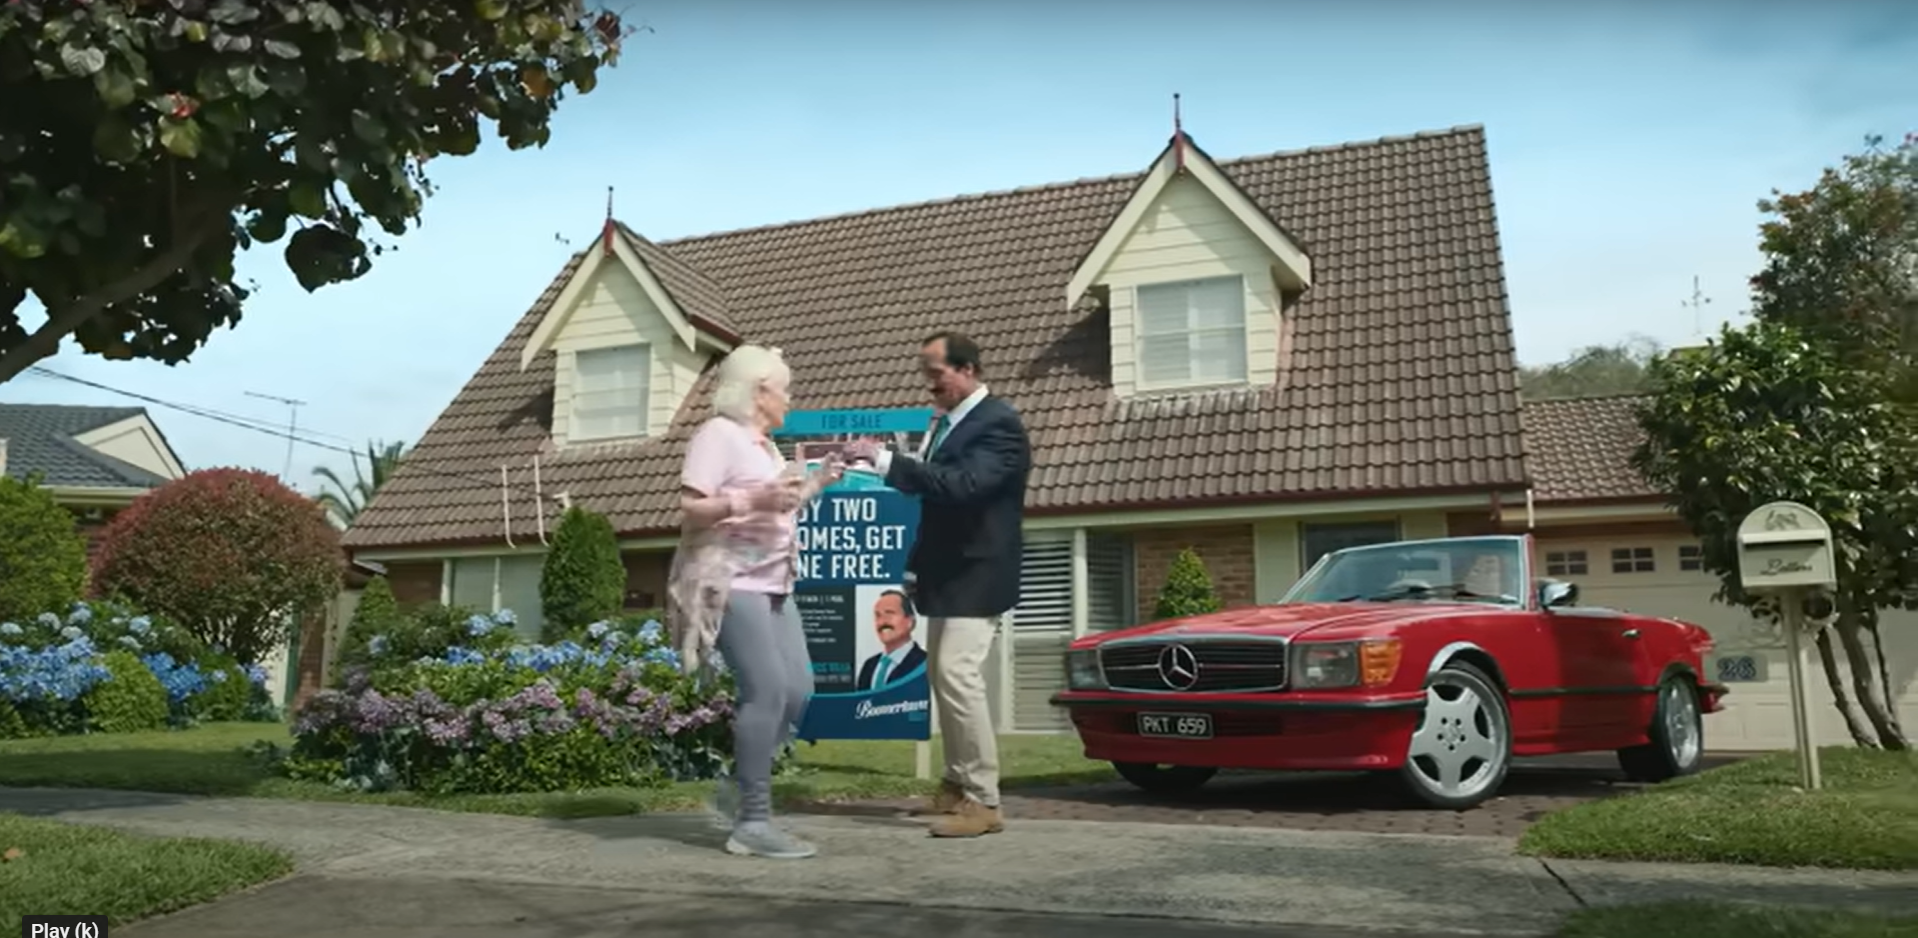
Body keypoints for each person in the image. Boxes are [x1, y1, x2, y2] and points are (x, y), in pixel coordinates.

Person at [845, 331, 1031, 838]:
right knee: (941, 678)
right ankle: (955, 786)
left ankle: (984, 800)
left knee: (956, 673)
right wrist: (913, 569)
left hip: (980, 572)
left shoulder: (999, 424)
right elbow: (937, 502)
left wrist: (886, 463)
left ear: (967, 369)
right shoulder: (949, 424)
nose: (928, 384)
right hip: (949, 573)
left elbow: (963, 487)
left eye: (935, 373)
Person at [668, 344, 839, 860]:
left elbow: (775, 507)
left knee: (799, 691)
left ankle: (739, 788)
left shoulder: (764, 446)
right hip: (733, 582)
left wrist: (814, 483)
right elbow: (692, 507)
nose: (789, 396)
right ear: (760, 390)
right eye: (784, 387)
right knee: (765, 691)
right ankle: (753, 822)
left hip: (775, 585)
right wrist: (755, 499)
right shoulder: (717, 434)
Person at [856, 589, 926, 691]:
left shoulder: (925, 665)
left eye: (889, 613)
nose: (882, 621)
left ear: (910, 622)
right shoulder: (869, 666)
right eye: (878, 615)